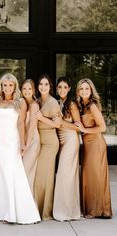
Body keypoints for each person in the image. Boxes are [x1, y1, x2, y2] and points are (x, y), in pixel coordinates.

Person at [0, 73, 41, 224]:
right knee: (1, 174)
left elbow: (21, 123)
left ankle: (14, 213)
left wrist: (23, 143)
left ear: (15, 86)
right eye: (5, 85)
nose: (7, 88)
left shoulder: (20, 101)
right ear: (1, 86)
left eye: (10, 85)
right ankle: (3, 211)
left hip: (13, 141)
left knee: (12, 173)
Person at [75, 78, 112, 219]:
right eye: (81, 88)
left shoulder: (92, 106)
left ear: (91, 91)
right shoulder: (82, 105)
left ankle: (96, 210)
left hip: (95, 144)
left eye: (87, 88)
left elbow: (102, 127)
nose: (84, 91)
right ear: (78, 91)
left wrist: (84, 129)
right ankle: (96, 208)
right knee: (89, 176)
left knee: (95, 176)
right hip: (88, 144)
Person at [52, 76, 81, 221]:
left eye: (65, 87)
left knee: (66, 174)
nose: (62, 90)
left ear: (69, 89)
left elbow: (78, 127)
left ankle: (67, 211)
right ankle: (66, 208)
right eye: (59, 87)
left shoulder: (72, 104)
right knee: (63, 174)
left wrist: (62, 122)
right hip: (60, 141)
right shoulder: (57, 103)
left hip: (70, 140)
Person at [34, 74, 61, 220]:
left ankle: (45, 211)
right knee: (41, 176)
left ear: (50, 86)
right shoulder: (37, 101)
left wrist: (41, 118)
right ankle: (37, 208)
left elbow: (58, 124)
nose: (43, 87)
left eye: (46, 84)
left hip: (50, 142)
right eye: (41, 84)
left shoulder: (53, 103)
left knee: (44, 176)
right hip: (39, 142)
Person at [21, 79, 40, 196]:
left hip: (32, 142)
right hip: (24, 141)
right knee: (24, 172)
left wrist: (26, 145)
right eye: (24, 88)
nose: (27, 91)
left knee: (27, 171)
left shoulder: (34, 105)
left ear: (33, 90)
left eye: (29, 88)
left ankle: (29, 205)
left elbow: (32, 126)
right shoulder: (22, 104)